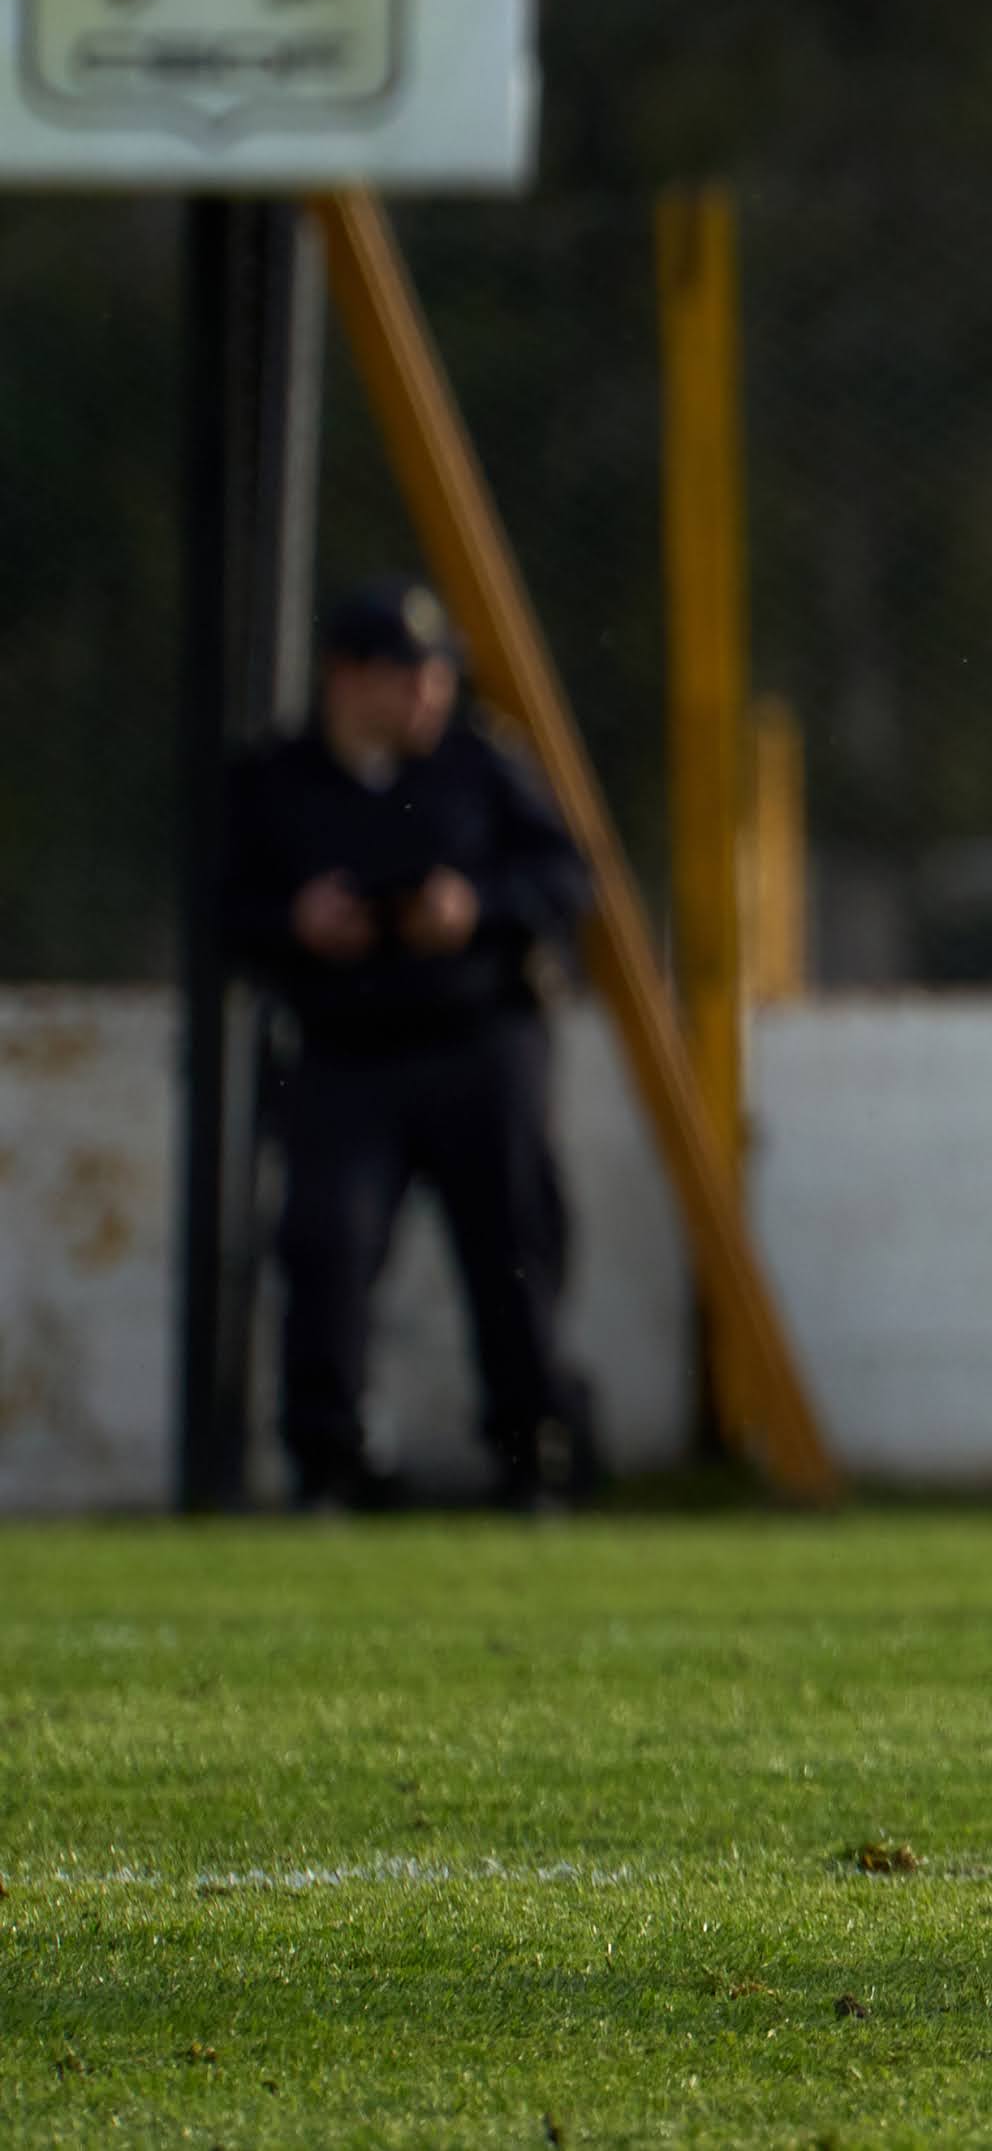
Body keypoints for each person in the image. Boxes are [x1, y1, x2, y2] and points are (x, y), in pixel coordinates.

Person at [229, 578, 594, 1510]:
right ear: (347, 678)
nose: (429, 696)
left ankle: (532, 1450)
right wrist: (296, 923)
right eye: (408, 676)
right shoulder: (278, 779)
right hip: (346, 1050)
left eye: (438, 676)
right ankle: (329, 1460)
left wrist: (473, 910)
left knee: (513, 1246)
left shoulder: (481, 765)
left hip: (479, 1040)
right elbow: (224, 909)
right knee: (326, 1245)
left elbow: (567, 876)